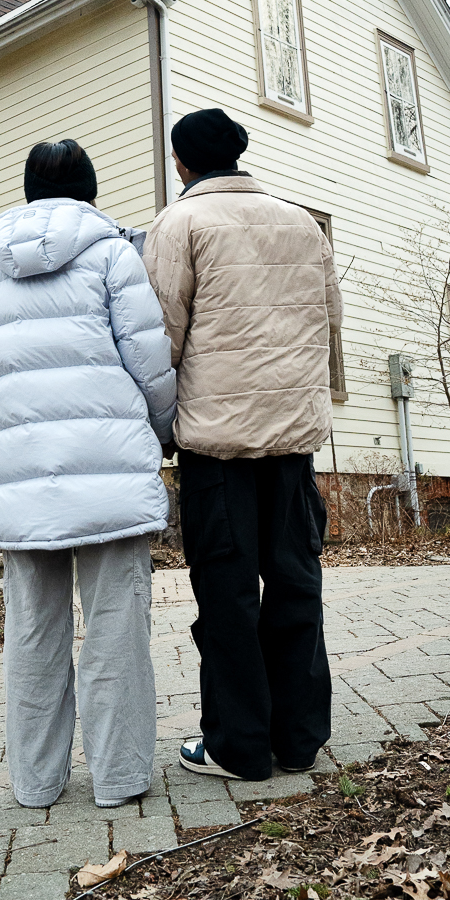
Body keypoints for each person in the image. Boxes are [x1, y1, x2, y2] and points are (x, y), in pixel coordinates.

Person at [0, 139, 176, 810]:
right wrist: (163, 430)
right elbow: (148, 360)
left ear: (27, 190)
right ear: (91, 189)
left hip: (21, 477)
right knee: (115, 626)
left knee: (29, 632)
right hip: (107, 467)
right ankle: (118, 778)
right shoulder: (112, 252)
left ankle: (35, 783)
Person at [142, 107, 342, 784]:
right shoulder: (302, 224)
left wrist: (159, 425)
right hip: (293, 442)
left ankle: (239, 746)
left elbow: (162, 337)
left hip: (217, 445)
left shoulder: (181, 223)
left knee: (227, 596)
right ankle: (300, 739)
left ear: (182, 162)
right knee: (295, 584)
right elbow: (328, 323)